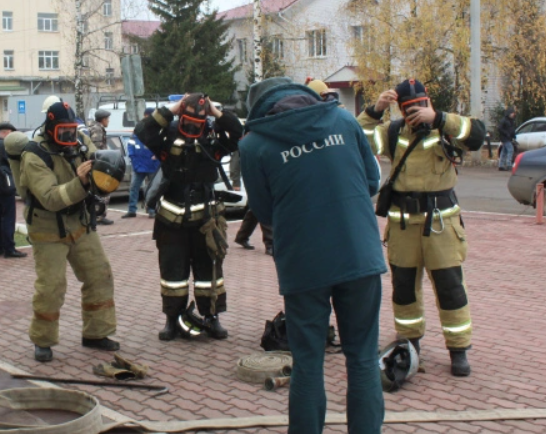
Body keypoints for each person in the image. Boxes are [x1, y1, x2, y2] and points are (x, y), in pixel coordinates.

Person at [240, 77, 386, 434]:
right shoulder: (344, 121)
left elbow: (264, 210)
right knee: (363, 360)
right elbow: (371, 181)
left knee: (307, 365)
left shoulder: (254, 145)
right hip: (358, 253)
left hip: (303, 263)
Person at [358, 79, 486, 377]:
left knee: (450, 288)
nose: (417, 112)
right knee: (404, 289)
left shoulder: (446, 127)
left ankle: (458, 350)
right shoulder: (393, 132)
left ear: (429, 102)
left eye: (422, 105)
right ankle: (409, 343)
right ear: (402, 110)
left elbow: (477, 135)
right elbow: (358, 141)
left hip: (441, 222)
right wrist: (375, 111)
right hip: (403, 224)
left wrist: (440, 118)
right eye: (410, 108)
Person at [134, 93, 242, 341]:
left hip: (206, 220)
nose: (194, 126)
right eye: (189, 119)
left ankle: (211, 317)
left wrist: (217, 113)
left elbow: (238, 134)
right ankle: (172, 319)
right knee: (173, 273)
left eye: (199, 121)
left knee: (209, 273)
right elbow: (143, 131)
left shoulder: (213, 138)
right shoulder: (167, 136)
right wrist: (172, 109)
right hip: (171, 221)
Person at [21, 102, 119, 362]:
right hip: (47, 229)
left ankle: (97, 333)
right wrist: (81, 181)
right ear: (51, 128)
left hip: (80, 222)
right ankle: (43, 341)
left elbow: (98, 164)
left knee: (100, 275)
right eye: (63, 132)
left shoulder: (82, 141)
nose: (70, 137)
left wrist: (103, 175)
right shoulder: (34, 155)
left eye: (72, 130)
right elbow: (51, 198)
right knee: (51, 287)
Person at [0, 121, 26, 258]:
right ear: (7, 132)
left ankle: (0, 247)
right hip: (6, 185)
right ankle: (9, 248)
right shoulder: (3, 146)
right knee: (8, 217)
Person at [122, 108, 160, 219]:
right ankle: (132, 210)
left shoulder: (157, 129)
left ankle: (151, 209)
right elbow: (131, 144)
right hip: (139, 164)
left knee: (153, 188)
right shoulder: (138, 129)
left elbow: (162, 144)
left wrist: (157, 155)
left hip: (152, 164)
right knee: (134, 187)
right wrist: (133, 158)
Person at [88, 109, 114, 225]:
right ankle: (99, 215)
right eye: (107, 119)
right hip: (98, 166)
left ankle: (96, 215)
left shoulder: (94, 128)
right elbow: (97, 150)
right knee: (104, 191)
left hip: (94, 165)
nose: (108, 121)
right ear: (103, 119)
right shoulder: (98, 130)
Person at [497, 106, 516, 171]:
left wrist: (513, 136)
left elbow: (512, 129)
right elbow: (499, 128)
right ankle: (508, 165)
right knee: (510, 149)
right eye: (512, 113)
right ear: (509, 113)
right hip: (505, 138)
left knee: (504, 151)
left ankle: (501, 165)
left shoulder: (511, 120)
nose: (513, 114)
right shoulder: (504, 120)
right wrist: (506, 134)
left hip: (508, 138)